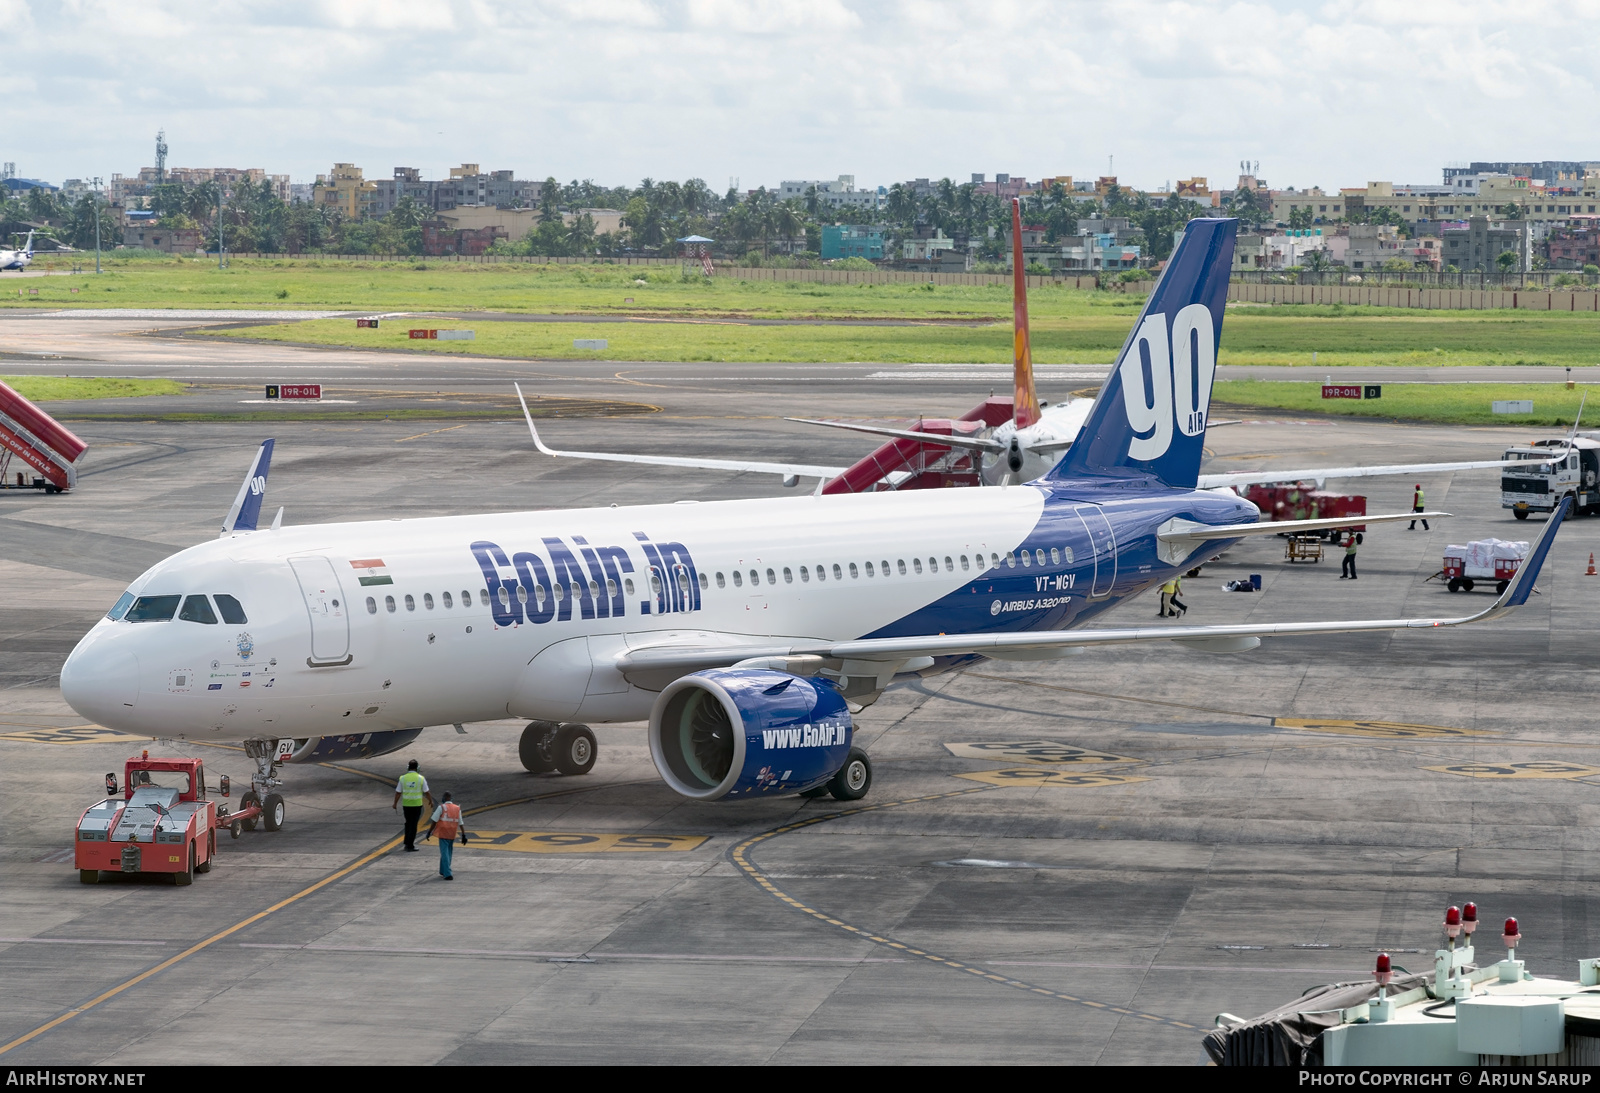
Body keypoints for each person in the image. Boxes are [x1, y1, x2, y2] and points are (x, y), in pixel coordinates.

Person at [391, 759, 434, 852]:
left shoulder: (403, 778)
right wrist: (431, 801)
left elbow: (398, 792)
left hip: (406, 805)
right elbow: (427, 792)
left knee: (408, 823)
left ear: (408, 768)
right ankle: (410, 845)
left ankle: (406, 842)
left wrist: (395, 803)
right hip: (417, 805)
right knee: (413, 825)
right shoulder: (421, 778)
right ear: (417, 768)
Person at [425, 791, 466, 880]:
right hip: (452, 832)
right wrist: (463, 835)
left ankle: (448, 873)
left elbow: (434, 821)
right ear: (451, 798)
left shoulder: (441, 807)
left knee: (444, 853)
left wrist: (429, 832)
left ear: (444, 798)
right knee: (449, 852)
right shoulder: (457, 808)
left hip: (443, 833)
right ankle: (443, 870)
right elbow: (461, 822)